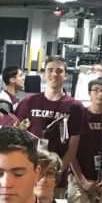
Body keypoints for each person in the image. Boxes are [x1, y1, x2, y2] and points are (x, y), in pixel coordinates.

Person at [15, 55, 85, 195]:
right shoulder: (28, 103)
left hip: (56, 180)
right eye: (50, 70)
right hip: (28, 176)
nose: (54, 74)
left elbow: (72, 149)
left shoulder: (75, 107)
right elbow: (17, 139)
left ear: (65, 75)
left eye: (59, 71)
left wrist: (55, 172)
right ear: (43, 74)